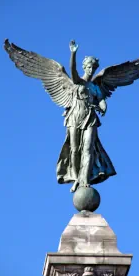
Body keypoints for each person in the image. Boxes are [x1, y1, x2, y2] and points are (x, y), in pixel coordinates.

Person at [57, 41, 116, 192]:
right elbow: (72, 70)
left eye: (93, 67)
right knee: (75, 149)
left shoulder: (94, 87)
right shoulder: (78, 82)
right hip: (74, 117)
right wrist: (73, 53)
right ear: (84, 67)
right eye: (89, 67)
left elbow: (102, 101)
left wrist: (103, 108)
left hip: (90, 118)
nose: (91, 70)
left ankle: (84, 179)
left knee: (88, 148)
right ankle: (76, 177)